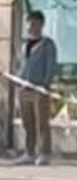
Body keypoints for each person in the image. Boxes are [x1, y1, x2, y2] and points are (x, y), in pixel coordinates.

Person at [14, 9, 57, 166]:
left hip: (39, 90)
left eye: (35, 23)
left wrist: (45, 84)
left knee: (41, 123)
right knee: (28, 122)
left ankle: (44, 153)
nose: (32, 26)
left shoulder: (47, 45)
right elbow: (19, 64)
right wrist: (18, 80)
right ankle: (29, 152)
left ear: (41, 25)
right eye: (30, 23)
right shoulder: (24, 44)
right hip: (24, 89)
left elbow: (51, 66)